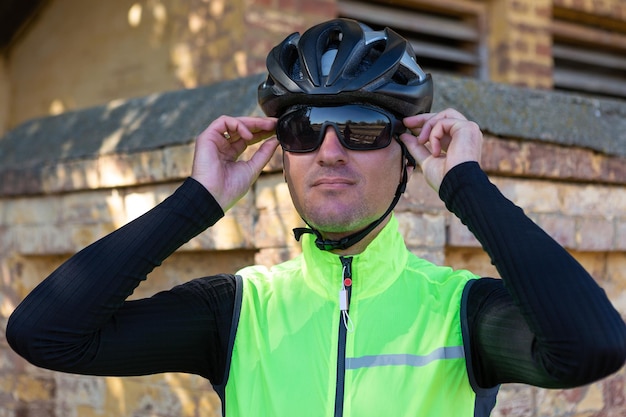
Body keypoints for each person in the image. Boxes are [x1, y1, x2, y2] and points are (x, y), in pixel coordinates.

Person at [6, 18, 626, 417]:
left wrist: (466, 185)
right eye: (303, 131)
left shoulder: (461, 312)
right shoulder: (236, 310)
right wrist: (198, 200)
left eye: (360, 130)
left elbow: (591, 346)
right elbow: (46, 334)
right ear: (281, 157)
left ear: (408, 156)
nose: (329, 151)